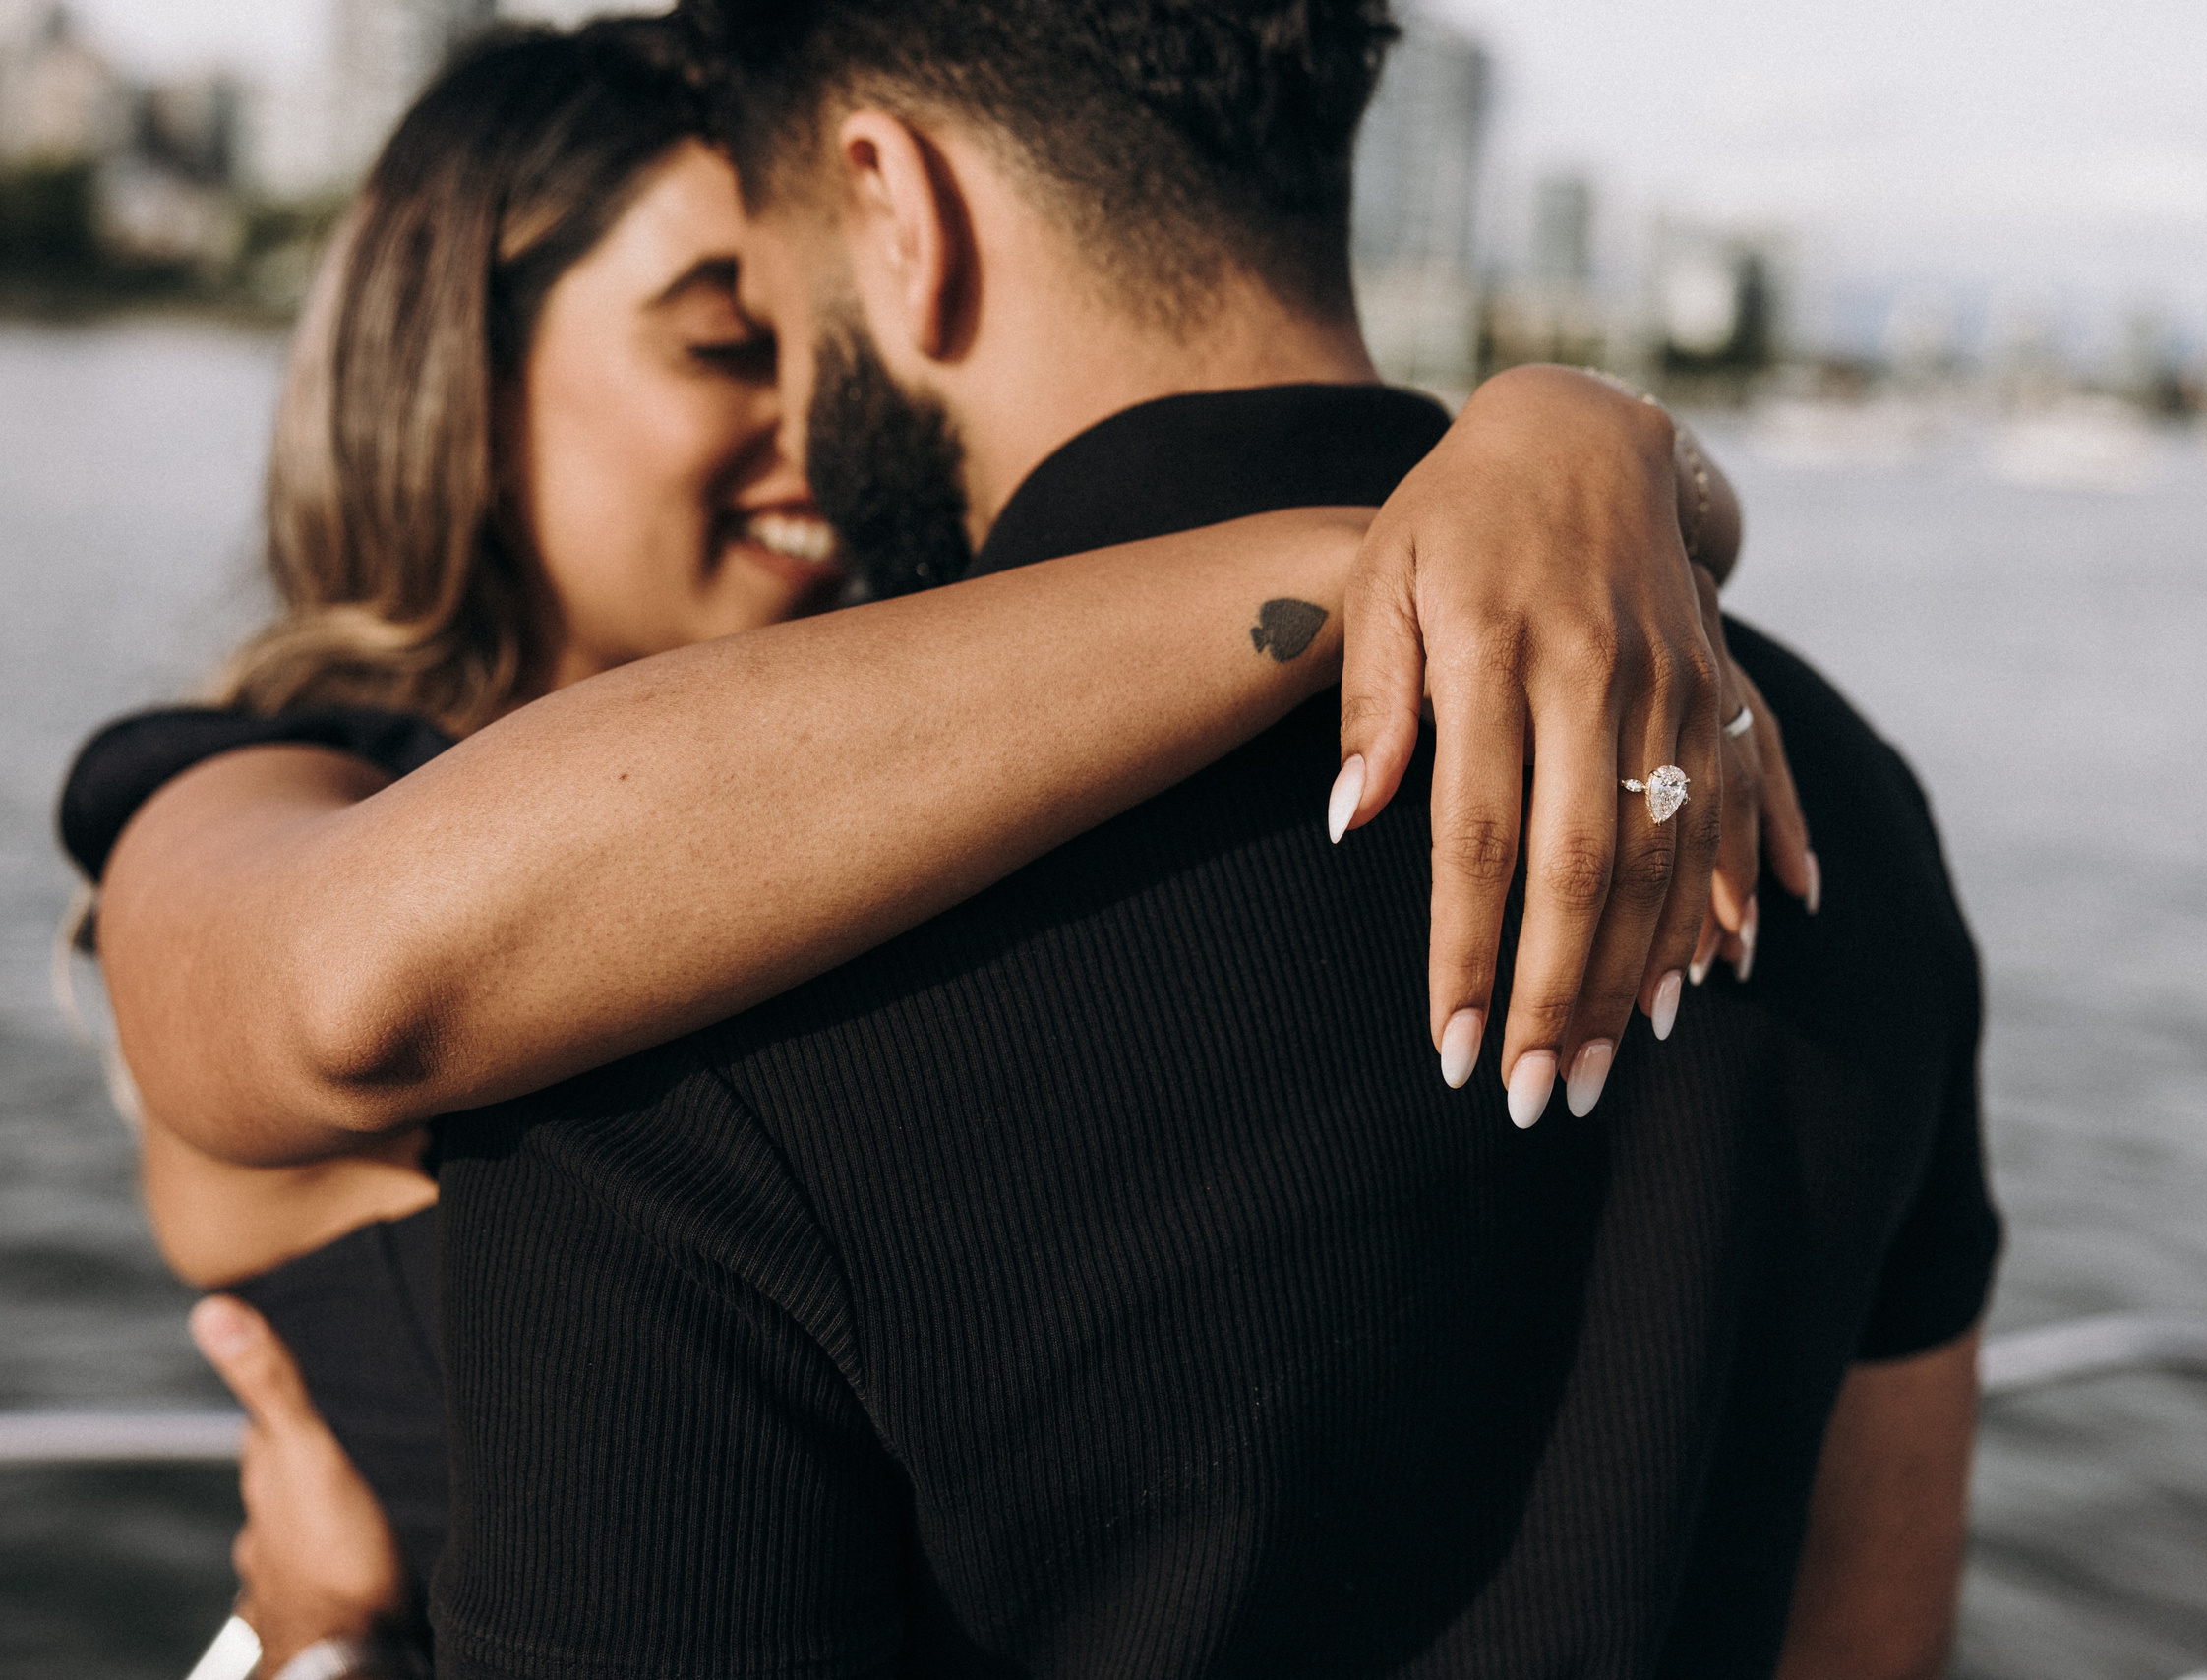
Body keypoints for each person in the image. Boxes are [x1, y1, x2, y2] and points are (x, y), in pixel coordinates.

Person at [60, 17, 1797, 1672]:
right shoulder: (244, 788)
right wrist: (1394, 549)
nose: (822, 407)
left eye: (824, 331)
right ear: (462, 374)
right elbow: (348, 987)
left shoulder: (946, 759)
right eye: (725, 341)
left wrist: (1579, 440)